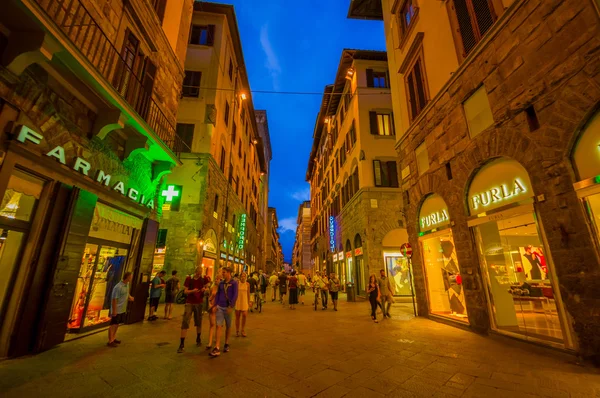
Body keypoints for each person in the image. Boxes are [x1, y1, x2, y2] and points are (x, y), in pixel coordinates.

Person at [210, 267, 239, 357]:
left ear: (229, 273)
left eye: (224, 272)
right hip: (220, 307)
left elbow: (235, 295)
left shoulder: (234, 283)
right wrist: (215, 305)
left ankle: (226, 343)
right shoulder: (221, 283)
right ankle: (217, 347)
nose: (223, 274)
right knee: (218, 326)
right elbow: (218, 294)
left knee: (228, 326)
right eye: (222, 272)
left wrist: (231, 306)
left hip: (228, 308)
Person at [177, 267, 207, 353]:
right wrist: (192, 291)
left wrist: (204, 289)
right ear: (196, 272)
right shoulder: (189, 279)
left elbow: (206, 288)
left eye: (201, 272)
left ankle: (198, 338)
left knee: (198, 321)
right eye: (198, 272)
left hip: (199, 302)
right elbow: (185, 291)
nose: (199, 274)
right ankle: (182, 343)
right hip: (189, 302)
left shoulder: (203, 279)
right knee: (185, 321)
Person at [108, 272, 134, 347]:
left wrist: (130, 297)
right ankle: (110, 341)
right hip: (117, 308)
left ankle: (114, 337)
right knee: (113, 324)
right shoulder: (118, 287)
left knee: (117, 324)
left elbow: (126, 293)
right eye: (131, 276)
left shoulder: (127, 285)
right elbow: (114, 299)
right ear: (128, 277)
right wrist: (114, 310)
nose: (132, 278)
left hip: (122, 308)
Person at [206, 273, 222, 351]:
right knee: (212, 325)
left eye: (217, 279)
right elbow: (209, 297)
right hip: (212, 308)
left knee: (218, 326)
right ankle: (209, 342)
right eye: (215, 279)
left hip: (219, 309)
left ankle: (217, 340)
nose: (216, 280)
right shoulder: (213, 287)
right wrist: (209, 304)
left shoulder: (222, 289)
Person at [235, 272, 250, 337]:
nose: (243, 277)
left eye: (244, 276)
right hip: (238, 301)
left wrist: (249, 301)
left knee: (244, 315)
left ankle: (243, 330)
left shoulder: (247, 284)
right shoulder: (237, 283)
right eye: (242, 276)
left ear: (246, 277)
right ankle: (237, 330)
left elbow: (248, 293)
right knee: (237, 317)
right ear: (240, 277)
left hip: (244, 301)